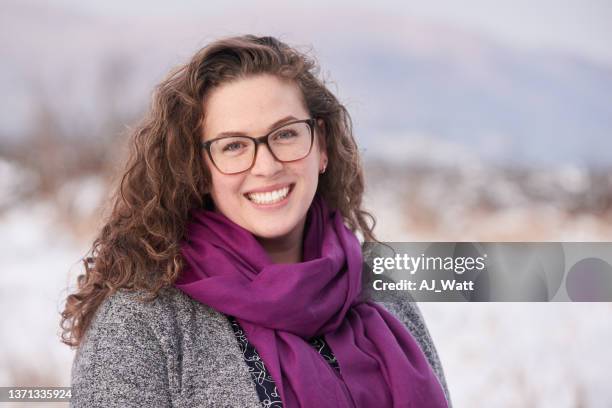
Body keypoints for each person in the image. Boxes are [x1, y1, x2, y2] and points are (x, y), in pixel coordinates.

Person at [61, 34, 452, 407]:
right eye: (233, 145)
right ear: (198, 168)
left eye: (284, 135)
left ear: (322, 147)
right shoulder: (143, 321)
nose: (266, 166)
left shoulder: (380, 289)